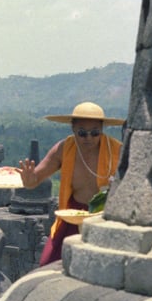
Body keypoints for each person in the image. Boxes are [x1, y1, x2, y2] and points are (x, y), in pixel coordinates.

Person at [18, 101, 123, 265]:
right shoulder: (63, 149)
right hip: (73, 215)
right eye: (82, 133)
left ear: (102, 130)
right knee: (48, 263)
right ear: (73, 129)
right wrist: (29, 180)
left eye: (95, 133)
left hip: (105, 217)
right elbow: (34, 181)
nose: (88, 138)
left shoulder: (117, 150)